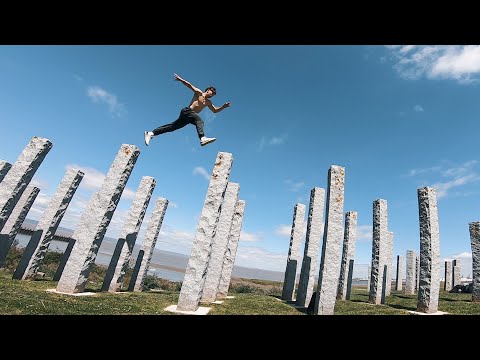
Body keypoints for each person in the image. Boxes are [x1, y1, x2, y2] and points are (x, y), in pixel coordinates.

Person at [144, 73, 231, 147]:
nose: (212, 95)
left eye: (213, 95)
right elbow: (189, 85)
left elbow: (215, 110)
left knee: (172, 127)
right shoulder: (199, 93)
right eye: (212, 93)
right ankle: (203, 138)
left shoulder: (208, 102)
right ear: (208, 90)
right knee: (199, 120)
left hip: (188, 118)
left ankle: (151, 133)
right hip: (187, 111)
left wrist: (223, 106)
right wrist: (180, 79)